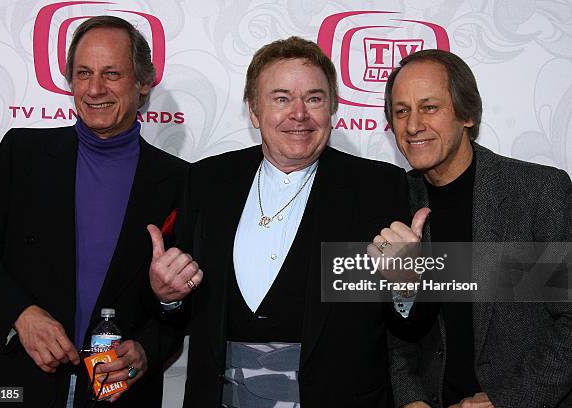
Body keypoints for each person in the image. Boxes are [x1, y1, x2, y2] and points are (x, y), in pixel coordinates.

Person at [149, 36, 433, 408]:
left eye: (314, 99)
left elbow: (410, 329)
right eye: (281, 98)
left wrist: (408, 286)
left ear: (331, 108)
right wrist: (167, 298)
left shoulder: (380, 187)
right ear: (254, 110)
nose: (299, 114)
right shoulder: (207, 182)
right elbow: (181, 311)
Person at [0, 16, 191, 407]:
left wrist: (147, 351)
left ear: (143, 82)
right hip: (5, 386)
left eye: (112, 74)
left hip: (115, 391)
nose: (95, 89)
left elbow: (182, 301)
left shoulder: (180, 181)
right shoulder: (23, 153)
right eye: (83, 73)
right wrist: (21, 315)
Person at [379, 49, 572, 408]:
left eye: (430, 107)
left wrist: (508, 400)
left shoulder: (537, 192)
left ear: (467, 113)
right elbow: (390, 325)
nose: (413, 125)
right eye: (401, 110)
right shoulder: (394, 200)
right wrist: (410, 397)